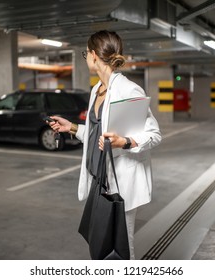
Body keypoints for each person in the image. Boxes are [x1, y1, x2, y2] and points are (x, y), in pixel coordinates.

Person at [48, 30, 162, 259]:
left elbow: (154, 134)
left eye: (85, 53)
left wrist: (125, 142)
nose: (86, 58)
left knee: (122, 247)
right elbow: (96, 133)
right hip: (99, 178)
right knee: (100, 242)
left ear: (92, 55)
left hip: (122, 182)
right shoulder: (97, 90)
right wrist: (71, 127)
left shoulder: (128, 90)